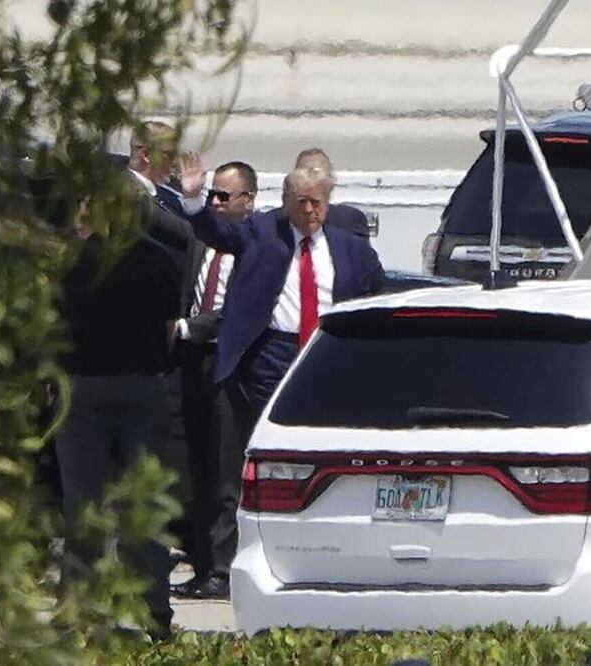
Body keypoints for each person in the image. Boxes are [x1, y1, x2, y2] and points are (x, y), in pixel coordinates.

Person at [54, 121, 191, 639]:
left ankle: (78, 614)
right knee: (145, 508)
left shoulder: (71, 259)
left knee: (82, 506)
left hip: (82, 388)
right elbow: (169, 323)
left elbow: (53, 325)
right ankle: (153, 612)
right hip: (142, 384)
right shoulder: (159, 259)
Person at [179, 158, 385, 417]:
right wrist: (194, 200)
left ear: (327, 203)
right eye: (301, 202)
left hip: (326, 351)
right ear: (286, 203)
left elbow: (376, 293)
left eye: (316, 202)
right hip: (272, 356)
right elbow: (219, 233)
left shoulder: (351, 249)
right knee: (268, 426)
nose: (309, 210)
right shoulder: (263, 233)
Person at [170, 161, 258, 599]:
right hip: (191, 362)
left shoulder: (255, 245)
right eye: (213, 196)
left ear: (248, 201)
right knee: (196, 465)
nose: (217, 204)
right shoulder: (199, 240)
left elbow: (240, 309)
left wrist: (190, 328)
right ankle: (202, 562)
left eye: (225, 196)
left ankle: (223, 570)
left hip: (228, 363)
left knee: (226, 469)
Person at [293, 147, 371, 240]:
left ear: (332, 183)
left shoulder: (348, 222)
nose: (311, 183)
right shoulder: (278, 224)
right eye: (304, 177)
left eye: (317, 176)